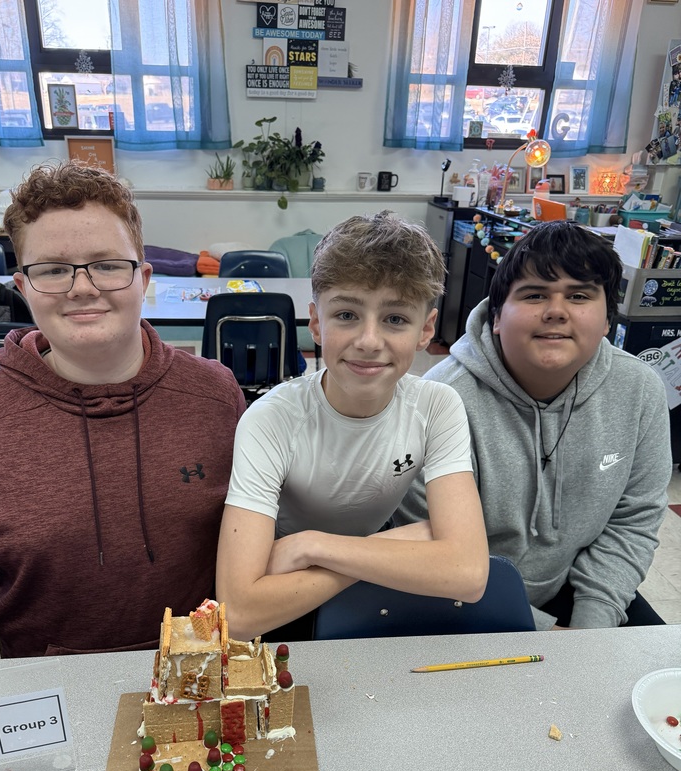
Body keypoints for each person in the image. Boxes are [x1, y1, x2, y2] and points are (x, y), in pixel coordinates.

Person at [0, 160, 245, 661]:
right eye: (53, 270)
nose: (82, 288)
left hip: (200, 691)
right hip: (48, 706)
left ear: (143, 279)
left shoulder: (218, 399)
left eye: (108, 265)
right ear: (23, 288)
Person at [216, 211, 489, 641]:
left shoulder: (437, 406)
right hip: (282, 600)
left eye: (395, 319)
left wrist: (312, 548)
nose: (368, 340)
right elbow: (240, 615)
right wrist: (400, 547)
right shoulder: (270, 420)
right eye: (346, 314)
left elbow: (469, 574)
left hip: (302, 567)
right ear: (316, 323)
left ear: (426, 330)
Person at [395, 220, 673, 629]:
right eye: (535, 295)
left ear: (607, 320)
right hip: (457, 597)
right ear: (496, 317)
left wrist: (590, 629)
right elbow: (431, 553)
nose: (556, 311)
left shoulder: (640, 391)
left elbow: (632, 521)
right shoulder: (439, 402)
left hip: (576, 586)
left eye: (579, 295)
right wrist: (543, 632)